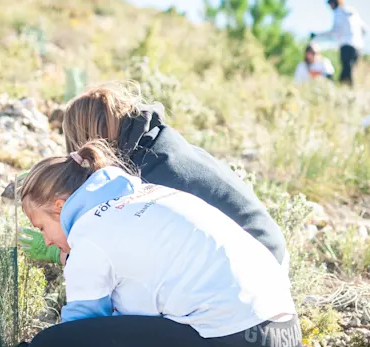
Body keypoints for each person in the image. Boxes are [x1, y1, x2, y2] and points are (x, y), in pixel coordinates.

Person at [18, 140, 301, 347]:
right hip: (282, 345)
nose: (47, 241)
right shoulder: (147, 195)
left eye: (41, 227)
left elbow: (77, 339)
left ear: (60, 206)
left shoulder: (89, 231)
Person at [19, 83, 288, 269]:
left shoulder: (144, 175)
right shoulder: (156, 143)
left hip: (257, 265)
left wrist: (66, 254)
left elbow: (121, 263)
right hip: (267, 249)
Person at [310, 0, 368, 86]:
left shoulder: (338, 13)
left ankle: (346, 90)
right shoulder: (353, 11)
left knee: (346, 72)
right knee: (350, 70)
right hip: (358, 47)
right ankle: (347, 89)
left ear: (333, 4)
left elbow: (335, 31)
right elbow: (364, 30)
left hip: (346, 46)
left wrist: (317, 35)